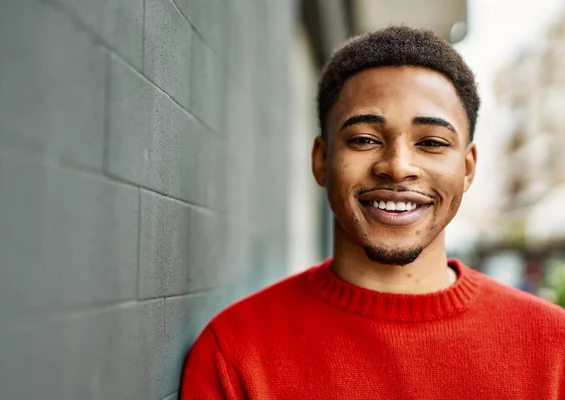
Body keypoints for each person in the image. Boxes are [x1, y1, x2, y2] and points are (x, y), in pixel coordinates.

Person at [180, 26, 565, 399]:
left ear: (467, 168)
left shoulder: (555, 350)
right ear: (322, 160)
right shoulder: (235, 353)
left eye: (431, 142)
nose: (397, 167)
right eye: (364, 139)